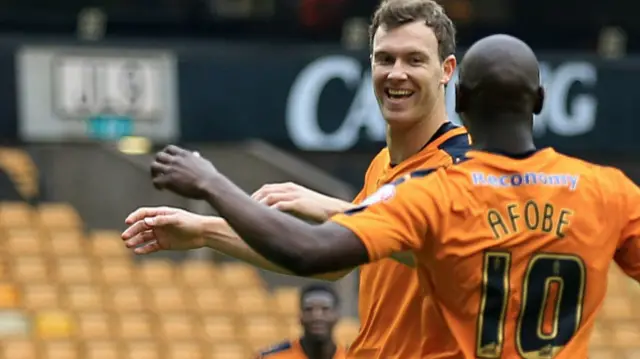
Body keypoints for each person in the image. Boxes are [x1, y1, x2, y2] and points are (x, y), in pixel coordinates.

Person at [142, 33, 640, 358]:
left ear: (457, 95)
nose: (396, 73)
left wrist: (210, 183)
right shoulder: (607, 190)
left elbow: (312, 251)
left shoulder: (437, 193)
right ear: (541, 99)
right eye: (385, 58)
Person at [122, 1, 468, 358]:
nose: (397, 73)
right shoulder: (383, 164)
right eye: (385, 59)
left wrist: (331, 209)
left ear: (446, 70)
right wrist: (205, 231)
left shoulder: (462, 166)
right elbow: (335, 262)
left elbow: (442, 257)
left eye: (414, 60)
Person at [256, 284, 347, 359]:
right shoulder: (271, 357)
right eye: (309, 309)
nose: (317, 316)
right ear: (299, 317)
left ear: (337, 316)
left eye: (325, 309)